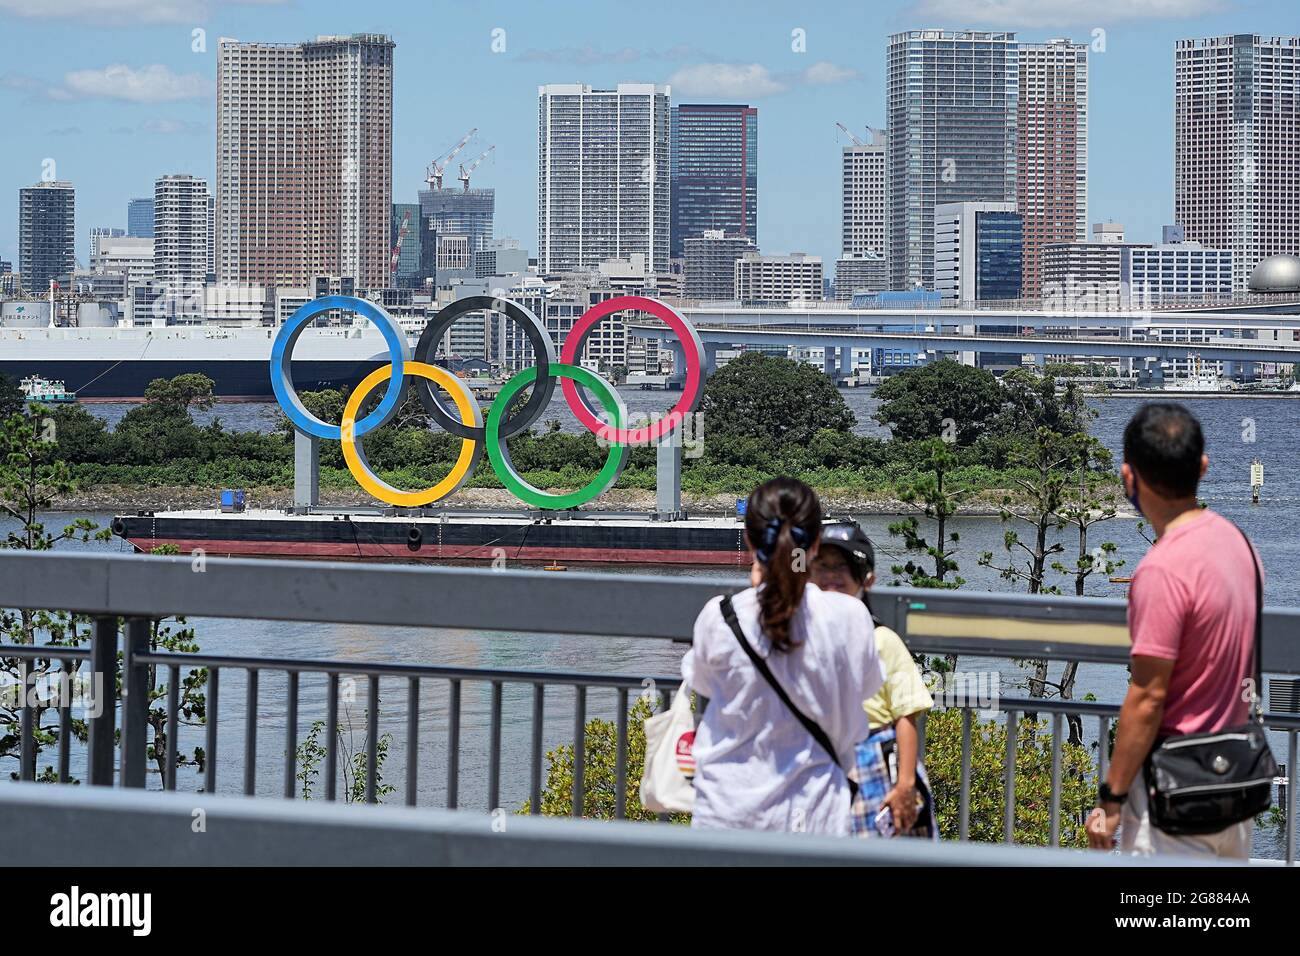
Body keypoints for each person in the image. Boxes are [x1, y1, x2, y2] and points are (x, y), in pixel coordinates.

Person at [1086, 402, 1260, 858]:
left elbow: (1147, 698)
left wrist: (1113, 798)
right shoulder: (1240, 546)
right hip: (1237, 780)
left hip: (1176, 791)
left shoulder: (1161, 570)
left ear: (1129, 477)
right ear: (1202, 466)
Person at [682, 477, 885, 834]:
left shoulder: (721, 616)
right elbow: (866, 691)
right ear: (816, 543)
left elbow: (702, 683)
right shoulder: (852, 616)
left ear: (749, 540)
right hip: (816, 814)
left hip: (727, 813)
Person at [810, 522, 937, 839]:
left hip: (875, 760)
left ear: (867, 579)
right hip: (821, 758)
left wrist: (905, 783)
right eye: (822, 566)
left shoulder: (882, 640)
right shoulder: (803, 639)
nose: (831, 575)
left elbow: (906, 715)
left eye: (842, 566)